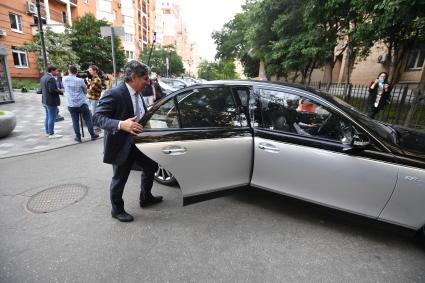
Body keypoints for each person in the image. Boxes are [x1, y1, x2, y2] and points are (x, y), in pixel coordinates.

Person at [93, 60, 162, 222]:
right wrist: (120, 124)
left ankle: (146, 197)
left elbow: (139, 114)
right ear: (133, 77)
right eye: (145, 78)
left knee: (151, 166)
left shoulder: (138, 92)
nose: (148, 82)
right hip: (121, 144)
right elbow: (97, 118)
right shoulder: (114, 93)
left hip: (138, 143)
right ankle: (116, 210)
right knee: (120, 178)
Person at [62, 65, 100, 143]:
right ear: (76, 72)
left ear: (69, 71)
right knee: (88, 119)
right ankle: (92, 134)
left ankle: (78, 137)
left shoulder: (64, 79)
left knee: (75, 121)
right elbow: (85, 91)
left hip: (71, 104)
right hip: (82, 102)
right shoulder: (80, 80)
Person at [40, 65, 64, 139]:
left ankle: (48, 132)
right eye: (56, 71)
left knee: (47, 117)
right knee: (51, 117)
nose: (57, 72)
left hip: (45, 100)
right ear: (52, 71)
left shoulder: (43, 77)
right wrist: (60, 90)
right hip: (51, 101)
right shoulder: (51, 78)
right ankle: (51, 134)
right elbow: (52, 90)